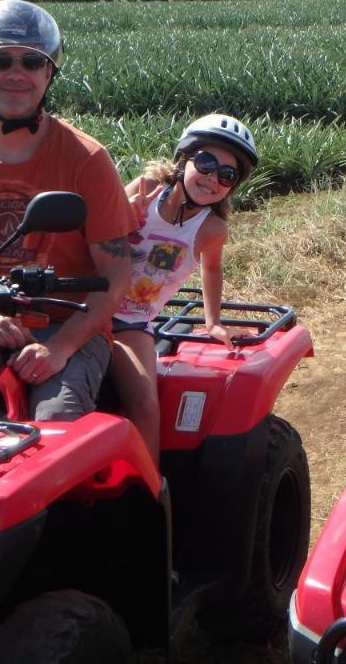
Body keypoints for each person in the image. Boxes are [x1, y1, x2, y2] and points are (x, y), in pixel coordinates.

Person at [0, 0, 136, 421]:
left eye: (31, 63)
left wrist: (60, 347)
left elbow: (114, 274)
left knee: (53, 425)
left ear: (49, 72)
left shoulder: (86, 159)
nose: (16, 74)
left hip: (65, 325)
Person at [110, 114, 258, 464]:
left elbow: (212, 267)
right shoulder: (146, 188)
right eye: (206, 163)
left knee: (145, 403)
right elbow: (97, 231)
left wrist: (213, 322)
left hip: (131, 321)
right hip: (90, 302)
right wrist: (122, 214)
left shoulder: (211, 229)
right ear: (184, 159)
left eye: (226, 175)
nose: (212, 178)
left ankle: (150, 493)